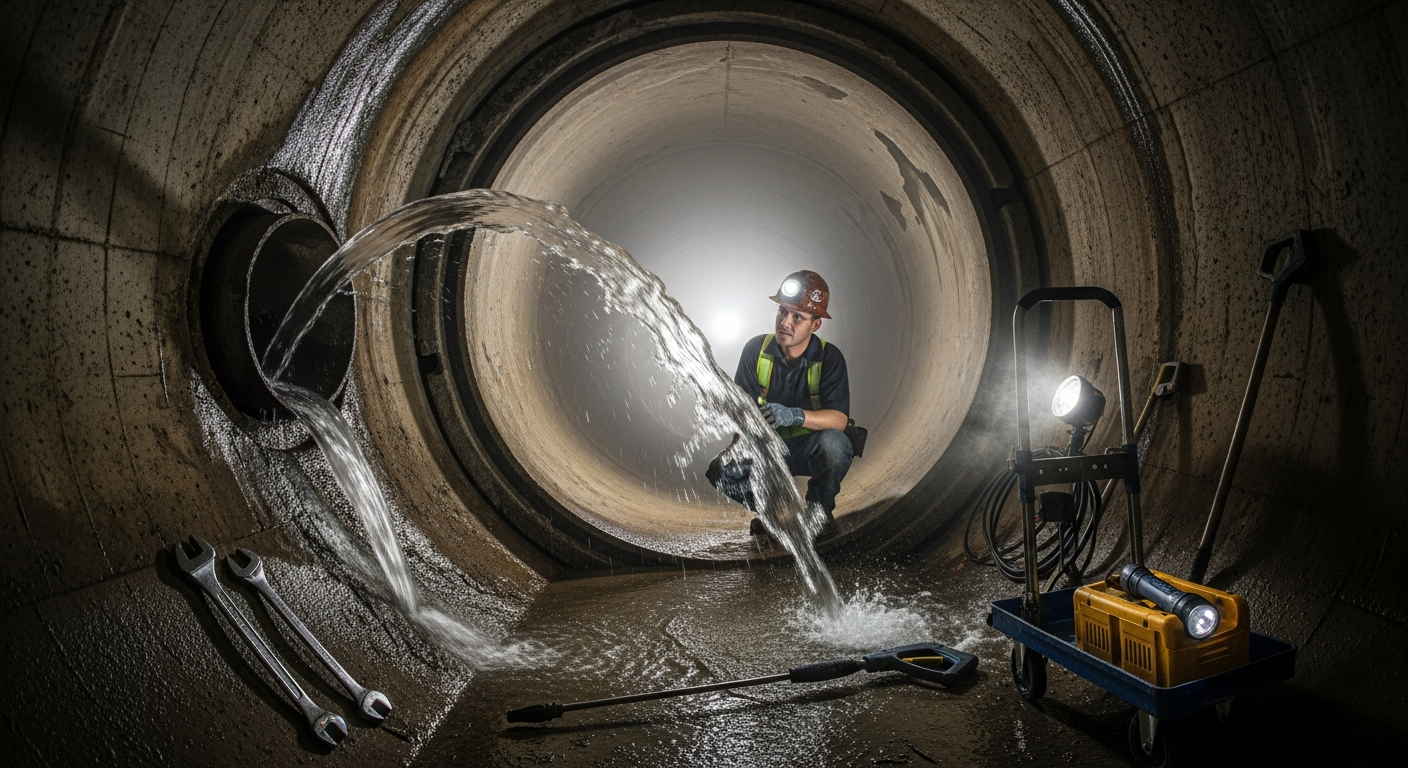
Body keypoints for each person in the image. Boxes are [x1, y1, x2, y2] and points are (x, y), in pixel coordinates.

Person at [707, 270, 853, 540]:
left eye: (798, 317)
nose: (786, 322)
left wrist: (795, 416)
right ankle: (778, 516)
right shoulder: (756, 349)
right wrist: (736, 440)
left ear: (815, 325)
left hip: (810, 448)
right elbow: (743, 410)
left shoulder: (829, 357)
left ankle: (818, 515)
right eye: (782, 311)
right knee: (722, 470)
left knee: (836, 445)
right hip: (770, 451)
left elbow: (839, 420)